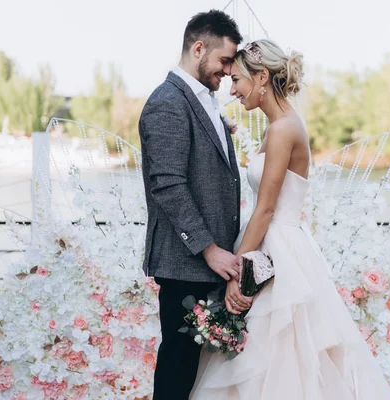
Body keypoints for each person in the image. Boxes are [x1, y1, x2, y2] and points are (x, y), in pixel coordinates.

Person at [190, 39, 390, 400]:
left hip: (278, 251)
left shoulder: (285, 128)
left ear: (262, 77)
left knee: (282, 355)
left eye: (237, 79)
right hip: (269, 243)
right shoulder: (277, 127)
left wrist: (238, 273)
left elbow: (267, 208)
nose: (232, 89)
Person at [138, 10, 244, 400]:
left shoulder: (206, 100)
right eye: (224, 60)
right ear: (198, 48)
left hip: (210, 265)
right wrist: (209, 248)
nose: (229, 71)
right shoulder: (168, 102)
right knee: (178, 369)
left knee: (199, 372)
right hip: (187, 263)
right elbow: (167, 185)